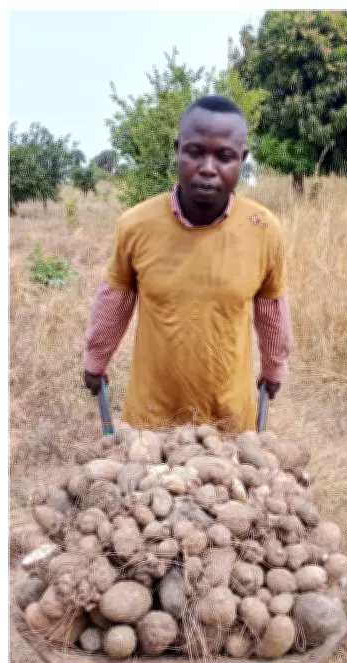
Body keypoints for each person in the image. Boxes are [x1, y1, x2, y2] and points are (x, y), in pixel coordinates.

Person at [82, 95, 293, 433]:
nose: (208, 167)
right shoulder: (136, 225)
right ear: (178, 150)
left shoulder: (263, 229)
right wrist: (96, 359)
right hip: (152, 419)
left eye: (224, 156)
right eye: (195, 152)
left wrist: (274, 368)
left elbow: (271, 308)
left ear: (242, 159)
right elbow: (116, 298)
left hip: (229, 419)